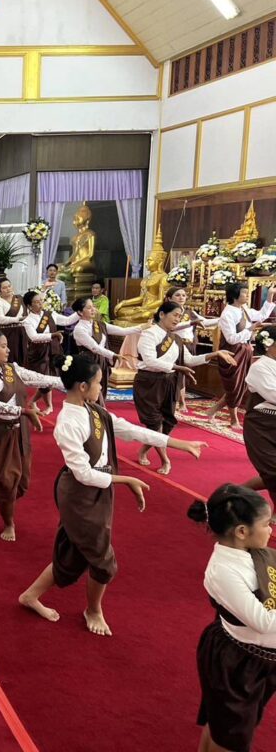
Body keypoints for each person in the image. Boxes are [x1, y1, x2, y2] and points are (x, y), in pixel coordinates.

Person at [18, 353, 203, 637]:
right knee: (103, 561)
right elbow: (83, 473)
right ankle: (93, 610)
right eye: (98, 383)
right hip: (80, 494)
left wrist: (177, 443)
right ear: (83, 386)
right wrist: (125, 479)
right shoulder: (68, 421)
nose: (101, 388)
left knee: (74, 553)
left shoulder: (93, 410)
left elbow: (128, 430)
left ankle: (30, 595)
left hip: (98, 487)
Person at [189, 484, 276, 752]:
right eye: (266, 524)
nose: (271, 529)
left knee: (224, 726)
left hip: (260, 659)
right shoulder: (223, 571)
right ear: (241, 531)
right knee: (230, 737)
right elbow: (263, 621)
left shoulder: (251, 551)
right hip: (238, 663)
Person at [0, 326, 63, 542]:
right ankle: (9, 523)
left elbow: (40, 378)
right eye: (3, 346)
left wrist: (70, 381)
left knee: (20, 487)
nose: (8, 350)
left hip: (19, 432)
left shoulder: (11, 369)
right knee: (6, 484)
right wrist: (23, 411)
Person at [133, 302, 231, 475]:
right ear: (162, 314)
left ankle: (144, 450)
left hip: (169, 382)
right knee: (155, 422)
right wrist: (177, 368)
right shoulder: (149, 334)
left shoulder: (176, 339)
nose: (177, 319)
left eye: (180, 316)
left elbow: (190, 360)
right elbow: (150, 360)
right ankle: (165, 460)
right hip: (149, 383)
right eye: (175, 315)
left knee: (167, 422)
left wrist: (215, 354)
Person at [207, 283, 276, 430]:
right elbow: (231, 339)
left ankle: (213, 410)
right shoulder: (227, 314)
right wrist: (250, 329)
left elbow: (261, 315)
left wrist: (270, 295)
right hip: (232, 353)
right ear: (235, 295)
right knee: (234, 387)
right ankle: (233, 419)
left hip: (245, 350)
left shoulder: (243, 309)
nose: (247, 295)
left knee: (241, 385)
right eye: (244, 292)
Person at [72, 296, 143, 407]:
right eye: (89, 308)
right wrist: (113, 355)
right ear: (80, 312)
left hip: (102, 361)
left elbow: (123, 331)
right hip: (89, 363)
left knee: (102, 389)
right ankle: (96, 411)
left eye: (93, 307)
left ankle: (99, 410)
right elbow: (95, 348)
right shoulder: (79, 329)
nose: (93, 310)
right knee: (92, 391)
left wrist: (142, 327)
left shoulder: (99, 324)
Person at [21, 290, 78, 414]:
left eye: (41, 301)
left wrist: (79, 312)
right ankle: (42, 404)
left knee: (52, 377)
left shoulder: (50, 314)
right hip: (38, 352)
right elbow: (34, 337)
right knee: (44, 379)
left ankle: (42, 404)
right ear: (29, 306)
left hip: (54, 349)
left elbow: (67, 321)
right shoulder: (27, 321)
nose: (40, 303)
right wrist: (52, 335)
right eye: (36, 302)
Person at [244, 326, 276, 498]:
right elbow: (273, 395)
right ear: (269, 345)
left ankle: (234, 493)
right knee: (272, 472)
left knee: (272, 475)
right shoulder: (260, 367)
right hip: (262, 427)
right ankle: (233, 494)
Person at [0, 278, 27, 365]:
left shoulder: (19, 299)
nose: (8, 289)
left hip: (22, 332)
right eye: (4, 288)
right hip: (7, 334)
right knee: (10, 357)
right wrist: (17, 319)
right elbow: (0, 319)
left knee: (22, 356)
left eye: (9, 286)